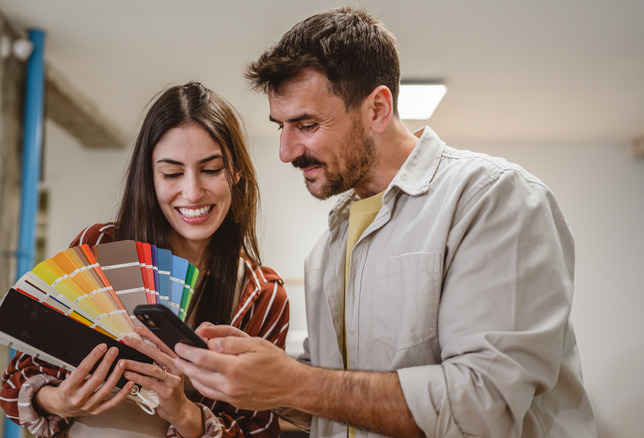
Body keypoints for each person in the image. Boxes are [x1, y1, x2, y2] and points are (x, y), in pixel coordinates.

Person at [173, 7, 597, 438]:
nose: (286, 151)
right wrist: (244, 376)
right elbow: (335, 403)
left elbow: (484, 407)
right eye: (281, 126)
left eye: (306, 124)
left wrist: (295, 382)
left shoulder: (492, 198)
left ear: (377, 108)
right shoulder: (329, 247)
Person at [0, 81, 290, 438]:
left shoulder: (260, 295)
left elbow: (259, 430)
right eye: (171, 173)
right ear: (150, 178)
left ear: (238, 172)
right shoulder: (101, 247)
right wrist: (60, 401)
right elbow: (16, 380)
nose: (192, 191)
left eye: (211, 169)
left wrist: (185, 414)